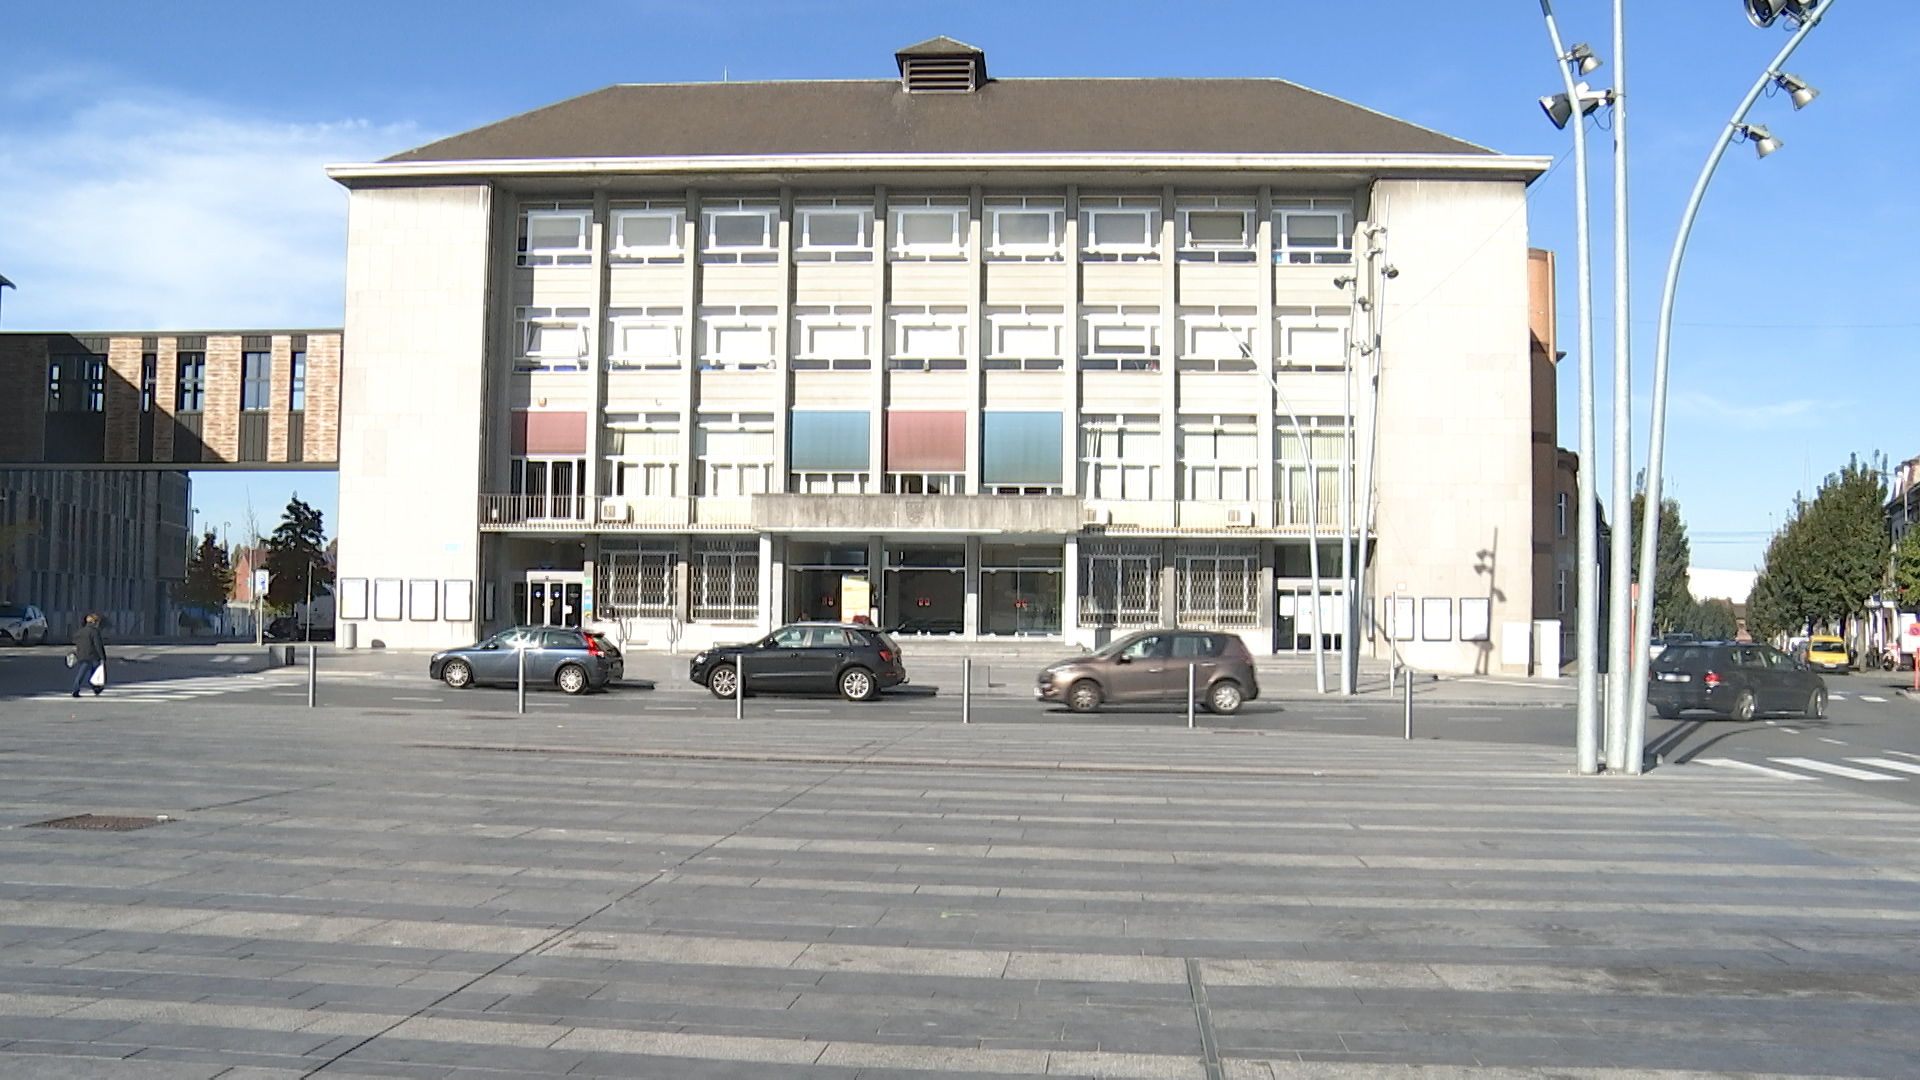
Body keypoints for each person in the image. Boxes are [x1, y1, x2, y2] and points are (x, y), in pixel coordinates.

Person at [69, 613, 106, 697]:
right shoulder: (94, 632)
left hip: (82, 654)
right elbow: (98, 645)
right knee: (95, 673)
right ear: (94, 622)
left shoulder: (80, 631)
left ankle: (78, 689)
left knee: (83, 673)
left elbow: (74, 640)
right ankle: (95, 688)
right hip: (93, 655)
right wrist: (102, 656)